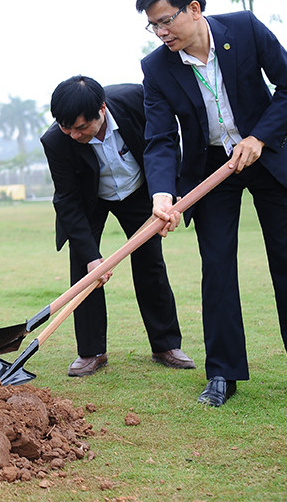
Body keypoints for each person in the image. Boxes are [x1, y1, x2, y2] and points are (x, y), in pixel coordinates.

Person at [136, 0, 287, 406]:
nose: (161, 31)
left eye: (166, 20)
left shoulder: (244, 28)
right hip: (211, 169)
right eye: (153, 24)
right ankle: (223, 374)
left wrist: (260, 137)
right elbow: (160, 138)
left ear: (195, 9)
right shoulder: (156, 67)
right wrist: (162, 196)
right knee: (218, 271)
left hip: (268, 156)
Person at [41, 75, 193, 377]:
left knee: (150, 262)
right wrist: (91, 256)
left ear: (102, 109)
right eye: (66, 127)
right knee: (85, 270)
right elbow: (67, 199)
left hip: (139, 191)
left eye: (82, 127)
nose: (73, 134)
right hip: (90, 200)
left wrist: (168, 190)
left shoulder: (137, 101)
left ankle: (165, 345)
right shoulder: (56, 141)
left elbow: (166, 142)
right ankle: (91, 352)